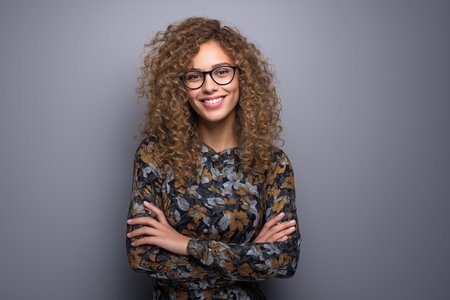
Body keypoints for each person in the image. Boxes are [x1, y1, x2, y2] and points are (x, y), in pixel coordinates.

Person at [126, 17, 301, 300]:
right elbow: (142, 257)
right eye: (195, 76)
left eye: (221, 72)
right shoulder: (155, 154)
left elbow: (283, 261)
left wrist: (184, 244)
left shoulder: (272, 163)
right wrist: (249, 256)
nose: (209, 86)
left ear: (241, 76)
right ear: (180, 87)